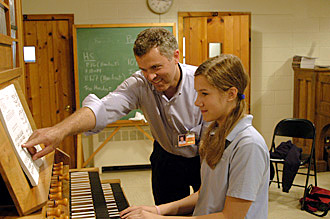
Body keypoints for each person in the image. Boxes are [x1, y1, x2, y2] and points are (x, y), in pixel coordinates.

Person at [22, 27, 204, 205]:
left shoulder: (200, 81)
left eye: (156, 67)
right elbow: (102, 109)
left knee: (207, 208)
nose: (150, 76)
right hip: (166, 157)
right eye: (144, 69)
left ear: (176, 56)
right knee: (167, 210)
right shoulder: (139, 84)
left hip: (204, 159)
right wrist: (59, 131)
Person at [120, 54, 270, 219]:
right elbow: (204, 194)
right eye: (197, 93)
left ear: (231, 94)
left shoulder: (248, 145)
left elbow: (231, 216)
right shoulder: (215, 133)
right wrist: (158, 210)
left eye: (204, 94)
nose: (197, 102)